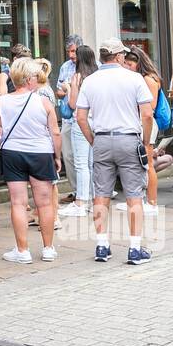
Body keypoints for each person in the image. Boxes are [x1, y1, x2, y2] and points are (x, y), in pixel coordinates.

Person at [75, 40, 156, 265]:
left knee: (101, 194)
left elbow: (80, 117)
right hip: (129, 138)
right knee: (134, 195)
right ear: (119, 56)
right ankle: (135, 248)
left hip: (101, 139)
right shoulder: (134, 78)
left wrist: (93, 140)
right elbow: (147, 115)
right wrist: (146, 141)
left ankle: (102, 246)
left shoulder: (90, 81)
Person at [0, 57, 62, 263]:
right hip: (40, 153)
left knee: (18, 203)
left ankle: (22, 251)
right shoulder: (44, 102)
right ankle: (48, 248)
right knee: (45, 203)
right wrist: (57, 157)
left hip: (12, 153)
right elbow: (55, 133)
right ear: (30, 78)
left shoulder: (2, 101)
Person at [121, 45, 163, 213]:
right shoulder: (141, 78)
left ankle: (152, 202)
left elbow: (150, 107)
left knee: (147, 164)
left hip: (145, 123)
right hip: (139, 122)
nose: (126, 67)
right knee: (138, 164)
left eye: (129, 64)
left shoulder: (148, 79)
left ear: (138, 63)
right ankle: (137, 199)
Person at [61, 45, 97, 217]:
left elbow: (73, 104)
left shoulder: (78, 77)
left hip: (80, 121)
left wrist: (69, 89)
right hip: (96, 121)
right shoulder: (98, 77)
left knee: (81, 163)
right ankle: (92, 198)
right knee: (91, 163)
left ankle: (81, 202)